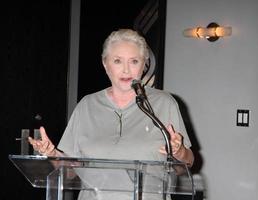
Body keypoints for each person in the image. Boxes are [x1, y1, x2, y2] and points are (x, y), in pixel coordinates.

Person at [28, 28, 194, 200]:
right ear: (105, 64)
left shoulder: (164, 103)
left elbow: (184, 167)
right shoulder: (87, 105)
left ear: (144, 65)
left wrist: (179, 152)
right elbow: (70, 173)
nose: (126, 70)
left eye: (134, 61)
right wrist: (52, 154)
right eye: (117, 61)